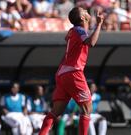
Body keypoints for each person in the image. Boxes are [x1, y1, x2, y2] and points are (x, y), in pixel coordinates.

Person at [38, 7, 104, 135]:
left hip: (63, 73)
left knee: (56, 111)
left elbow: (71, 39)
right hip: (74, 72)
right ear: (82, 18)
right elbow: (91, 42)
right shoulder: (79, 30)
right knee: (87, 108)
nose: (86, 11)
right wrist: (99, 24)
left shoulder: (74, 31)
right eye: (84, 11)